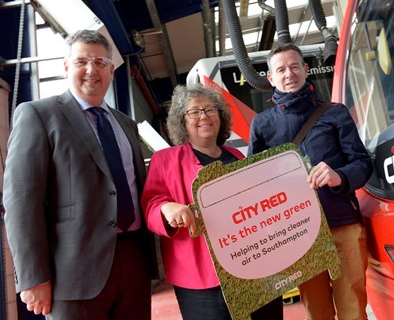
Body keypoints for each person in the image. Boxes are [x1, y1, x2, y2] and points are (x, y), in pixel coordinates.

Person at [3, 29, 160, 319]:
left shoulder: (126, 124)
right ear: (66, 67)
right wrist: (33, 277)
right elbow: (21, 203)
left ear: (112, 70)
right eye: (81, 62)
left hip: (133, 261)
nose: (92, 70)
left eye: (100, 62)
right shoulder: (38, 115)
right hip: (71, 272)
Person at [248, 43, 374, 320]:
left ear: (306, 69)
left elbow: (363, 163)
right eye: (280, 69)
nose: (288, 74)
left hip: (343, 223)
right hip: (298, 235)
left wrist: (338, 176)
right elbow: (254, 185)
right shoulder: (262, 125)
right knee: (316, 311)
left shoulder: (335, 112)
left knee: (353, 306)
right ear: (270, 79)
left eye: (294, 66)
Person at [141, 84, 283, 320]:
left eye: (210, 109)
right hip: (202, 278)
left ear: (220, 116)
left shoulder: (237, 156)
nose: (204, 116)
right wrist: (167, 208)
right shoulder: (165, 160)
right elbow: (151, 203)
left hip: (254, 267)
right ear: (181, 122)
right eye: (194, 112)